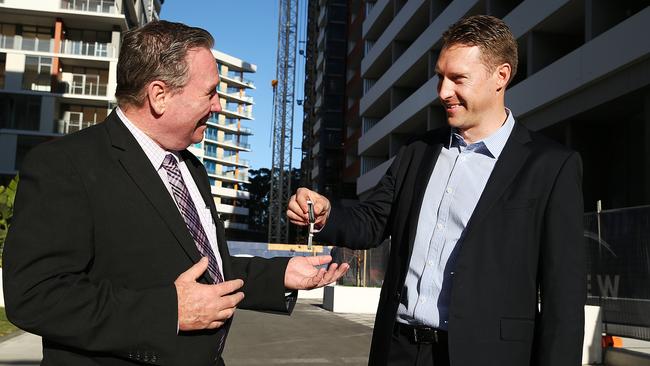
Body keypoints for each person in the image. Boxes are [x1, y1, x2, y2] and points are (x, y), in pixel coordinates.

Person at [3, 20, 347, 366]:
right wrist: (170, 311)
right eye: (210, 92)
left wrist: (281, 275)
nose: (218, 106)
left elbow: (209, 267)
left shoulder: (192, 168)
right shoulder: (65, 165)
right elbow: (35, 295)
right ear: (159, 95)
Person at [288, 15, 585, 366]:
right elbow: (372, 220)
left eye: (458, 79)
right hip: (397, 348)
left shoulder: (550, 166)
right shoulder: (418, 151)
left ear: (500, 77)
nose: (443, 92)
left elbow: (563, 299)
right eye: (440, 77)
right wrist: (326, 214)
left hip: (487, 355)